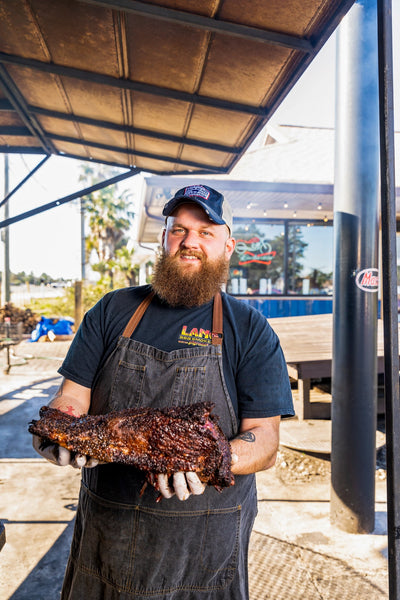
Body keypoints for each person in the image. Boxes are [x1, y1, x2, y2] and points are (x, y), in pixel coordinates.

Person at [32, 183, 294, 600]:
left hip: (206, 549)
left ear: (228, 247)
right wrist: (59, 427)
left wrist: (212, 457)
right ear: (164, 239)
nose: (190, 242)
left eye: (206, 232)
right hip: (109, 537)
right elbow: (72, 398)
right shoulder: (111, 311)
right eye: (179, 230)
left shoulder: (250, 329)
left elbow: (265, 440)